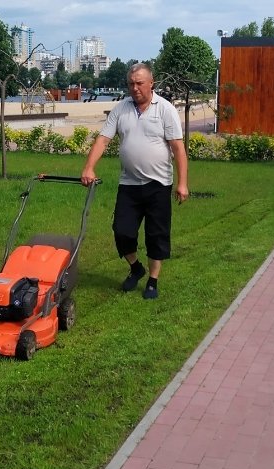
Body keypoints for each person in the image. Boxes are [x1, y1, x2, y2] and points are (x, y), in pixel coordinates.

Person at [81, 63, 189, 299]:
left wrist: (182, 183)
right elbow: (102, 140)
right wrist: (89, 167)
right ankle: (135, 268)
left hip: (158, 185)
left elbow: (178, 149)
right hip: (129, 185)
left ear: (152, 83)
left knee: (156, 235)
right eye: (131, 83)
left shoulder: (165, 109)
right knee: (122, 231)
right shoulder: (121, 109)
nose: (135, 88)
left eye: (140, 83)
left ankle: (152, 280)